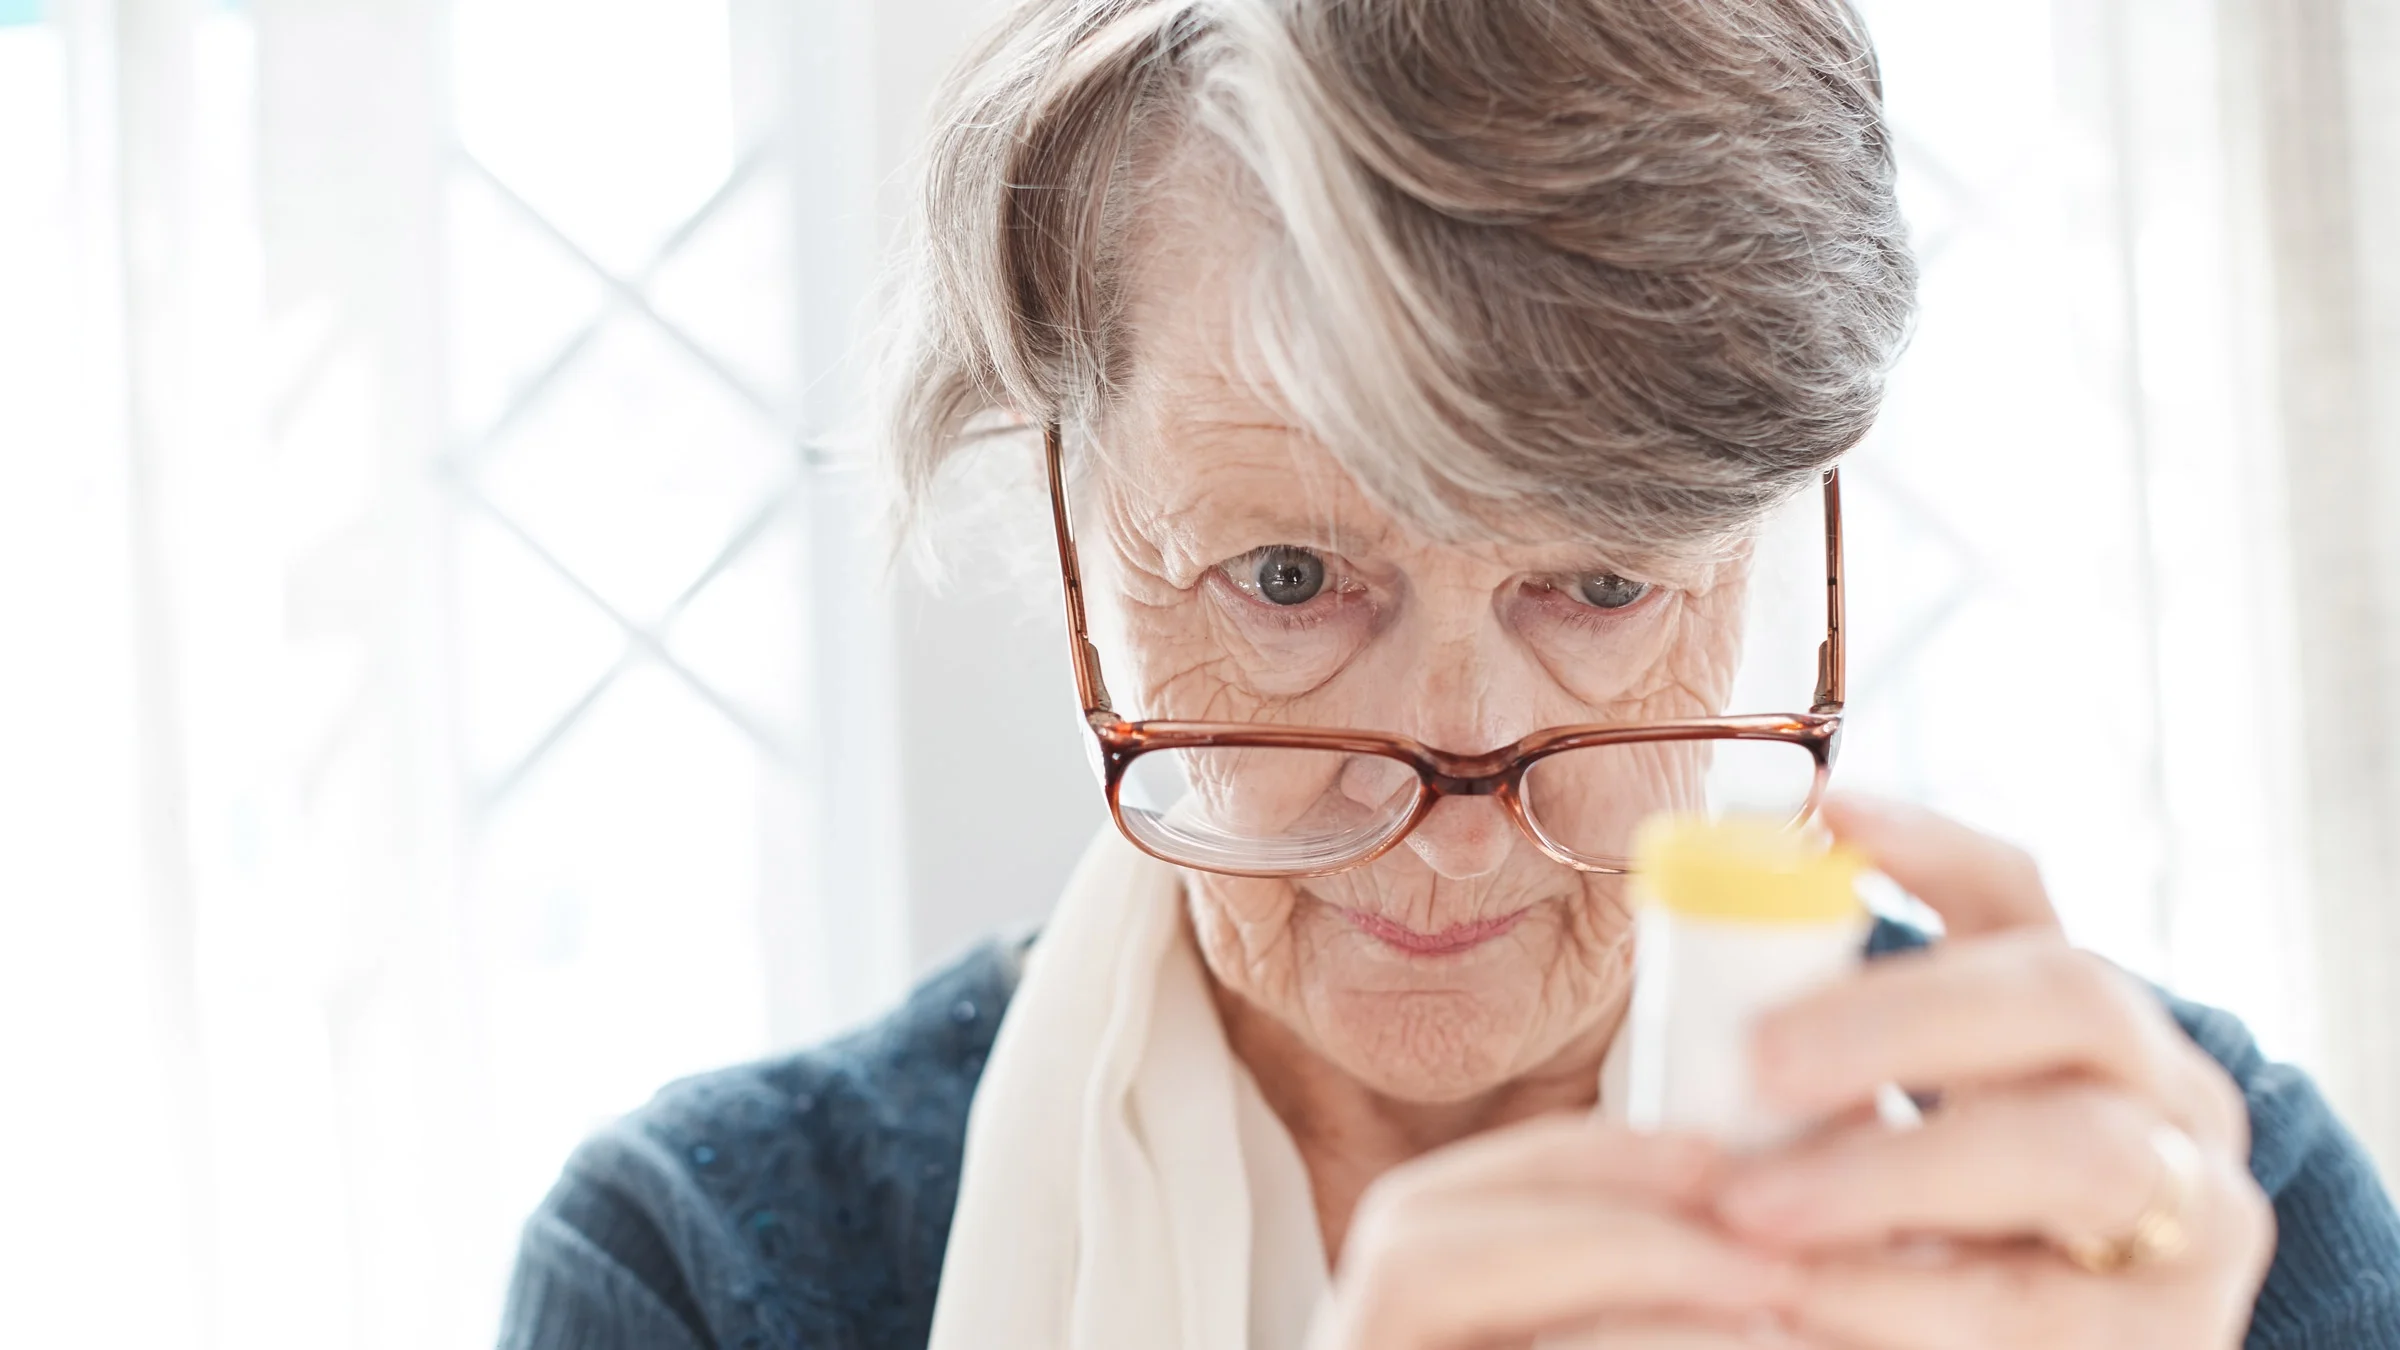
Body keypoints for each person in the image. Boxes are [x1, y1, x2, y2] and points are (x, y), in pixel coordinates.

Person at [497, 2, 2400, 1346]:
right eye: (1293, 575)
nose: (1465, 794)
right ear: (1077, 528)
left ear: (1764, 550)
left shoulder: (2177, 1221)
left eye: (1594, 579)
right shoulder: (703, 1277)